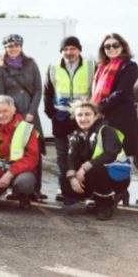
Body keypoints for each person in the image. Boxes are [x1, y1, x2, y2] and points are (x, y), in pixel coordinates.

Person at [44, 36, 94, 204]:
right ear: (61, 52)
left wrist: (93, 114)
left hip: (83, 119)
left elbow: (96, 90)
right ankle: (63, 187)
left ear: (79, 50)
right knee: (62, 155)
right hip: (61, 119)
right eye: (65, 49)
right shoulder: (52, 67)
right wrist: (51, 113)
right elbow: (47, 92)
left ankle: (86, 189)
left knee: (85, 153)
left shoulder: (90, 66)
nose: (69, 52)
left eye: (73, 48)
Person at [0, 34, 46, 200]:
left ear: (21, 46)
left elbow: (38, 89)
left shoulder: (31, 63)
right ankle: (15, 189)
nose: (13, 49)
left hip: (31, 115)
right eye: (10, 46)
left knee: (34, 150)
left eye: (16, 45)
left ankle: (35, 189)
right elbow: (0, 96)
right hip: (11, 117)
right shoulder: (0, 68)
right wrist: (10, 116)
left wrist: (31, 112)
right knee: (13, 150)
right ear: (5, 48)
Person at [63, 100, 131, 220]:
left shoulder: (106, 130)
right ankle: (96, 198)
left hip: (117, 176)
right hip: (95, 175)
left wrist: (85, 167)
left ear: (96, 116)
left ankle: (106, 204)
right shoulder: (75, 135)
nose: (83, 118)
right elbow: (70, 158)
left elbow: (110, 154)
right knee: (66, 183)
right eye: (79, 115)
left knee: (94, 169)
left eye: (87, 114)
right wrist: (72, 178)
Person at [0, 95, 39, 210]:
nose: (1, 115)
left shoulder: (27, 128)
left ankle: (22, 195)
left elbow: (32, 157)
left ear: (13, 110)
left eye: (5, 111)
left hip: (19, 173)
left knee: (25, 183)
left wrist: (10, 173)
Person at [92, 33, 138, 160]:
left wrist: (99, 108)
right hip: (102, 119)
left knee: (121, 162)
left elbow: (121, 93)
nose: (111, 48)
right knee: (103, 159)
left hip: (121, 119)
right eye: (107, 46)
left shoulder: (129, 66)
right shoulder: (101, 67)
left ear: (122, 47)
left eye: (115, 45)